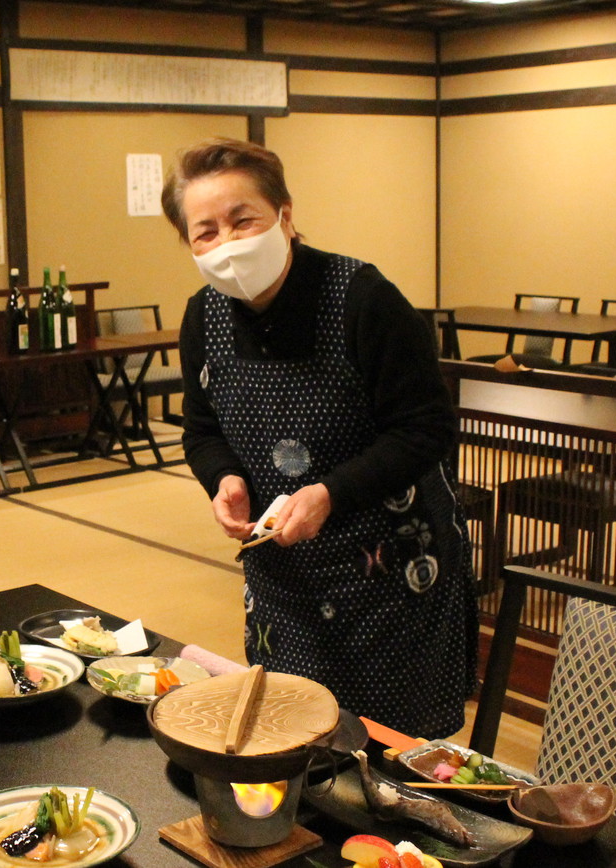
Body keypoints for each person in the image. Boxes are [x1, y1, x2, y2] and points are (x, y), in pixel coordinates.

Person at [164, 138, 476, 738]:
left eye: (242, 220)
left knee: (389, 759)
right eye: (205, 232)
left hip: (390, 582)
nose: (226, 243)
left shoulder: (363, 299)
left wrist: (329, 494)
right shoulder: (204, 315)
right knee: (288, 739)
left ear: (284, 215)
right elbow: (202, 429)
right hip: (286, 583)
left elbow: (426, 427)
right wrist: (224, 477)